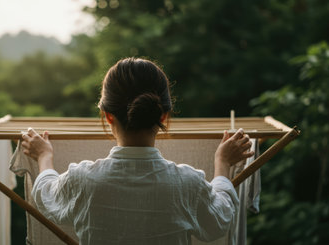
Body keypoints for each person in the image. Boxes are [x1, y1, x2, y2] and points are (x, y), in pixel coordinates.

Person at [21, 57, 254, 245]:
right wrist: (223, 162)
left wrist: (44, 156)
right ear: (163, 115)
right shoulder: (187, 185)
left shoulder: (83, 181)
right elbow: (219, 219)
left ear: (107, 115)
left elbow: (46, 194)